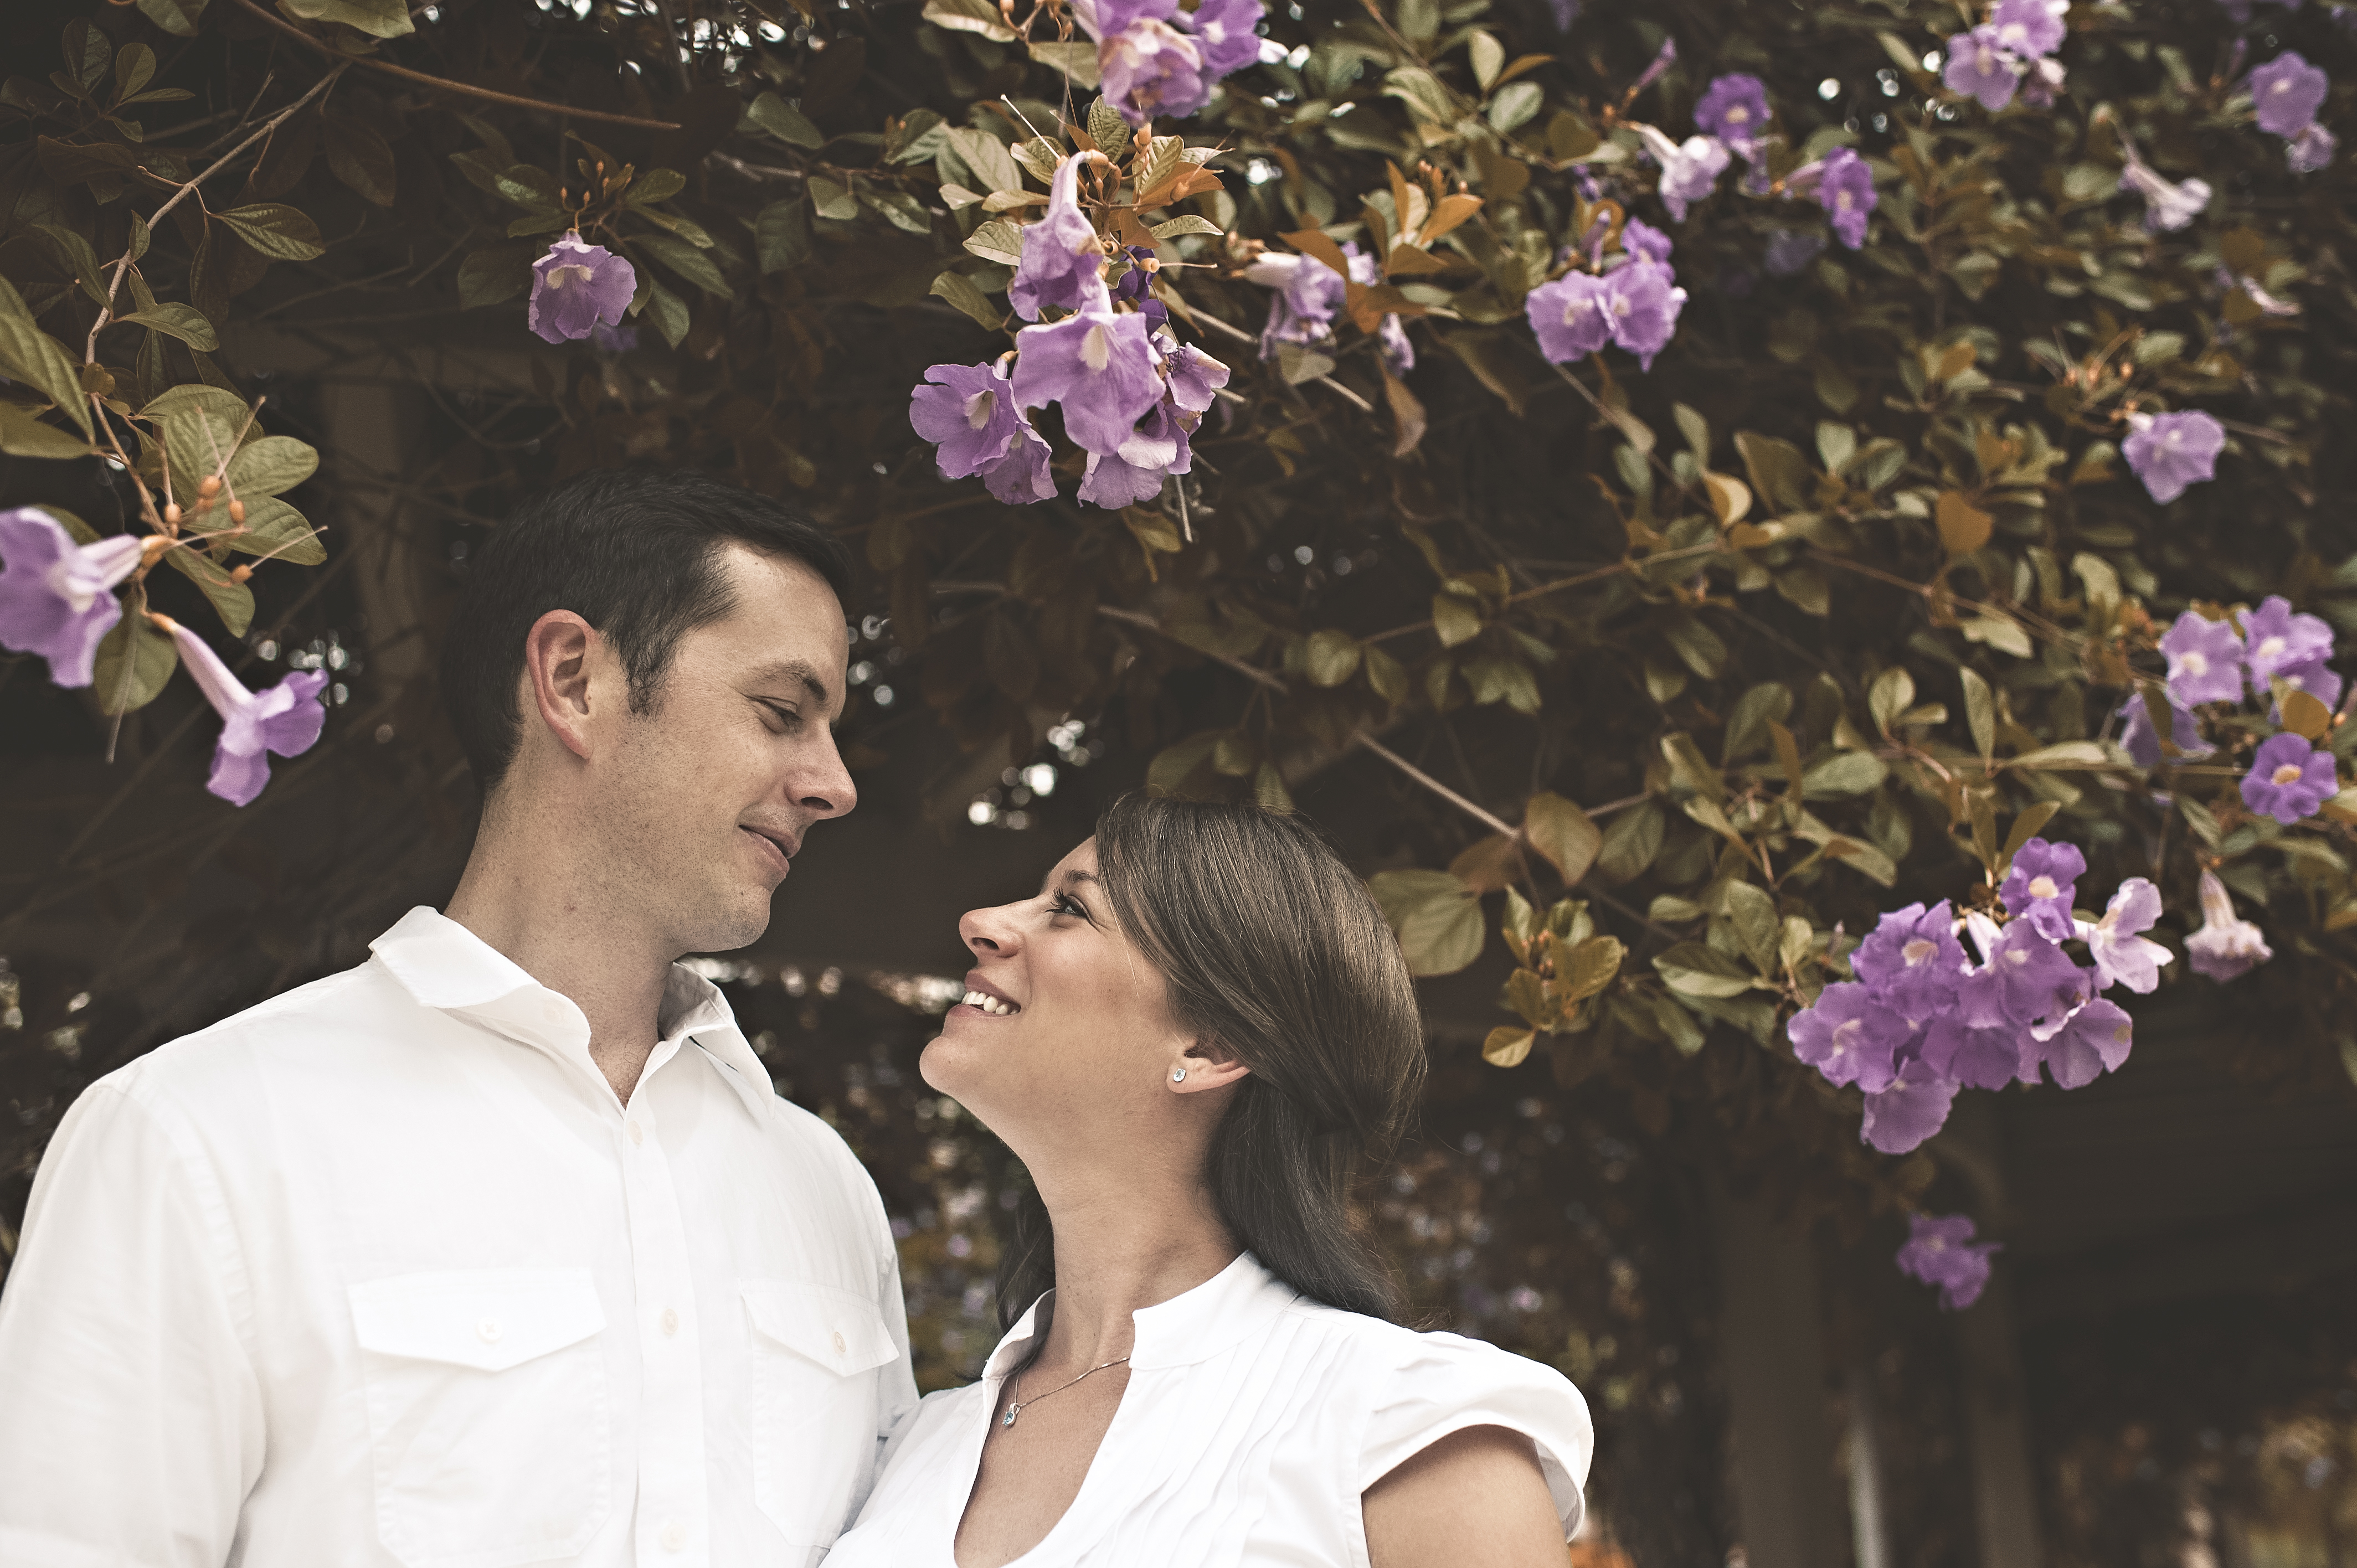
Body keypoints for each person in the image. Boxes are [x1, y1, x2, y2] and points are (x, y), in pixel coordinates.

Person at [0, 469, 917, 1567]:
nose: (833, 784)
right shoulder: (197, 1138)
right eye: (780, 712)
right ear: (575, 680)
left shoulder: (825, 1189)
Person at [826, 795, 1592, 1568]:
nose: (982, 920)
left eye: (1070, 908)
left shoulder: (1410, 1432)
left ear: (1211, 1042)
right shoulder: (912, 1450)